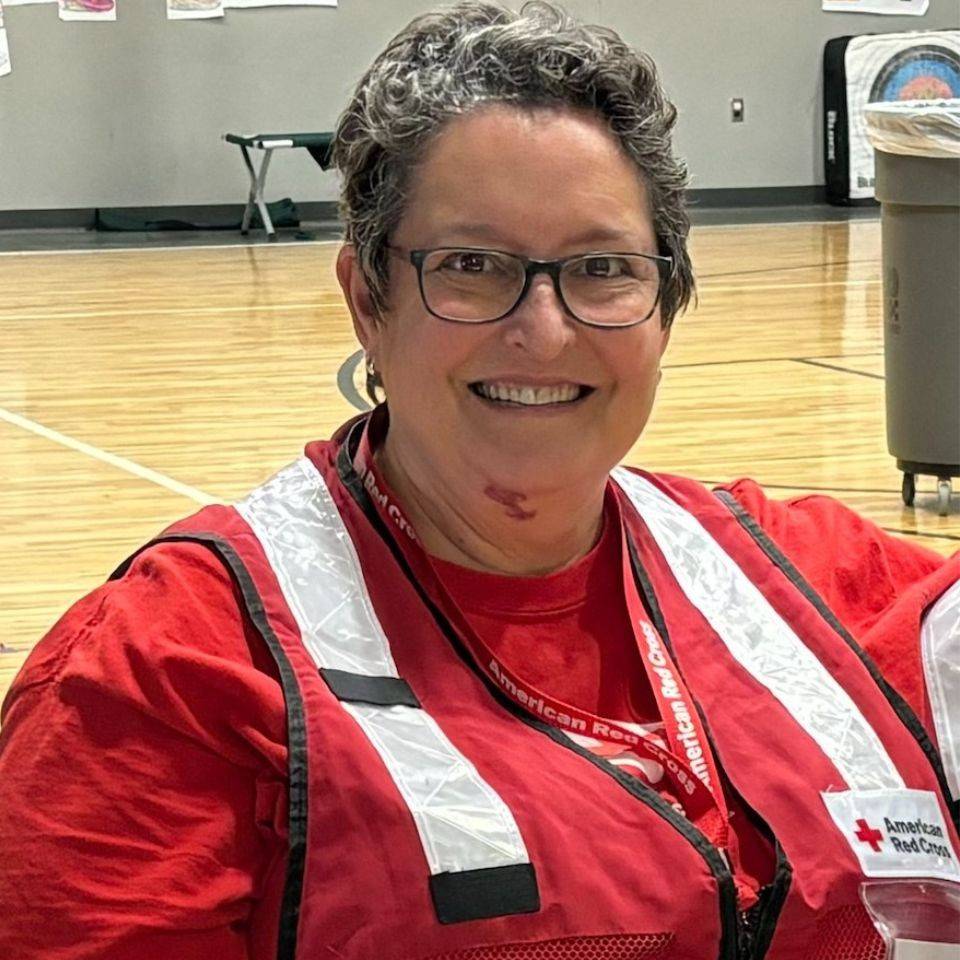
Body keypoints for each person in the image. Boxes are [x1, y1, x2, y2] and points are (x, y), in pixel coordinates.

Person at [1, 3, 958, 959]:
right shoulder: (160, 682)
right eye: (470, 266)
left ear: (666, 305)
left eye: (603, 268)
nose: (543, 329)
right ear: (366, 298)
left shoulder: (821, 581)